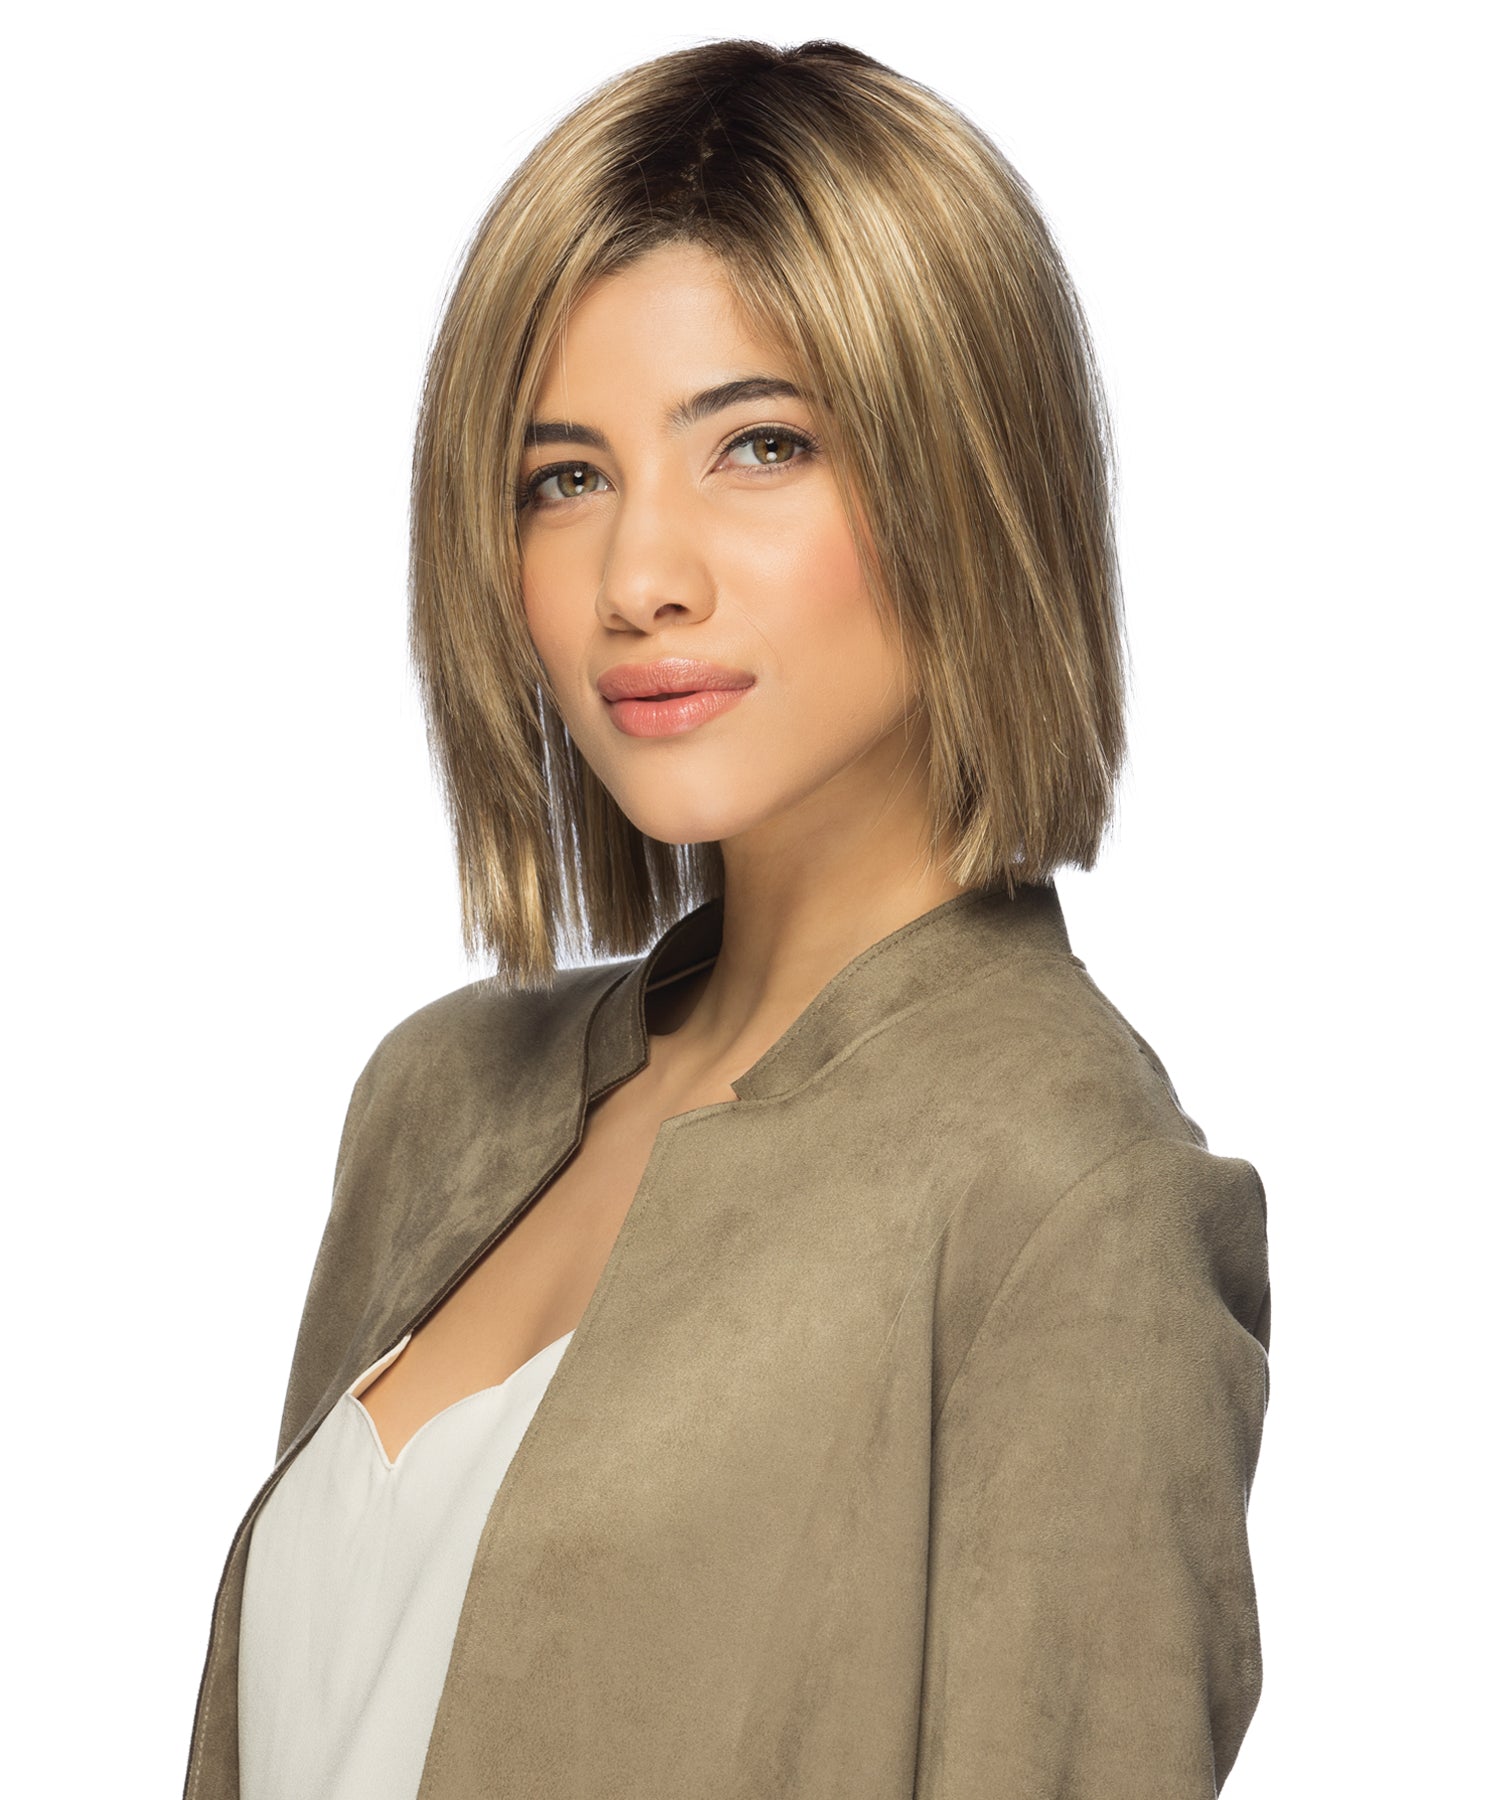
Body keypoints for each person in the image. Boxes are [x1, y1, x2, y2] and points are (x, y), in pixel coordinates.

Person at [183, 37, 1271, 1800]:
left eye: (760, 446)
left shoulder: (1066, 1198)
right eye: (565, 477)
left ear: (966, 474)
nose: (639, 578)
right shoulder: (434, 1105)